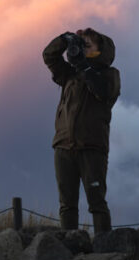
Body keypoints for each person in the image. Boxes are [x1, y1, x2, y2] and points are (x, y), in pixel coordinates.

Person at [42, 28, 121, 235]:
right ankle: (70, 248)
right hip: (63, 145)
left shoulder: (110, 75)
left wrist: (84, 66)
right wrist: (63, 40)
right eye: (80, 44)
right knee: (66, 204)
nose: (81, 49)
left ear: (100, 50)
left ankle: (105, 247)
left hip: (92, 147)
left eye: (87, 45)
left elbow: (103, 92)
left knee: (96, 202)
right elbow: (49, 56)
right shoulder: (70, 75)